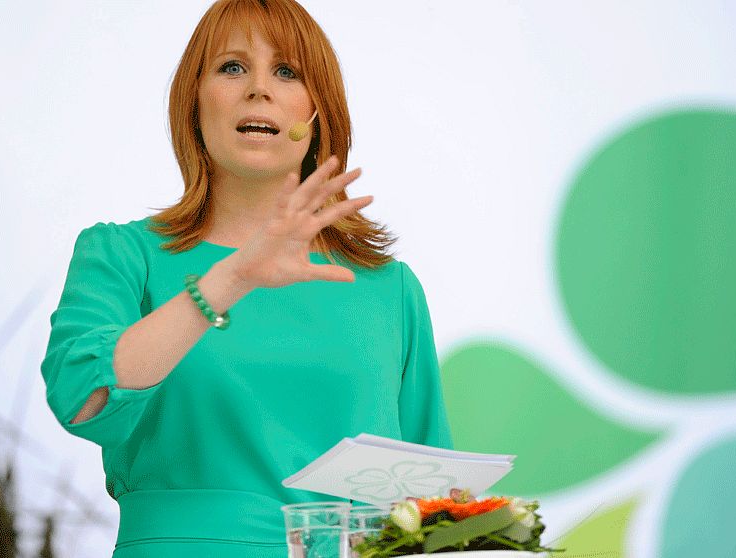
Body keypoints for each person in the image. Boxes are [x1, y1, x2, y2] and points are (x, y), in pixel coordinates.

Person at [39, 0, 453, 556]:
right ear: (194, 103)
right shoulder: (121, 254)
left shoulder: (389, 288)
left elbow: (431, 505)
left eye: (287, 71)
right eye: (232, 67)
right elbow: (81, 397)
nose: (259, 88)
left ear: (317, 112)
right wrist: (232, 275)